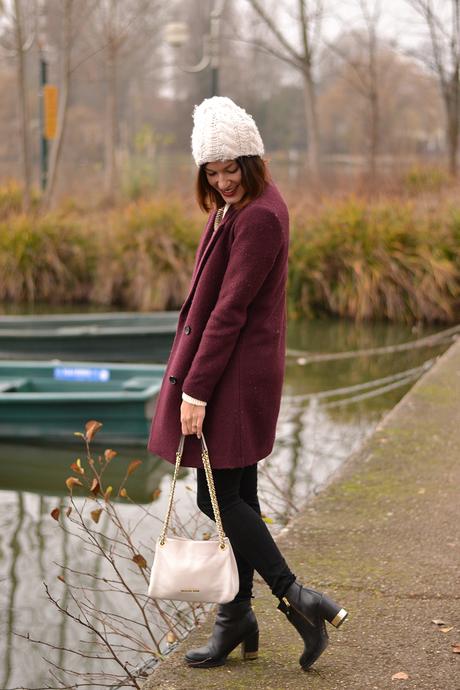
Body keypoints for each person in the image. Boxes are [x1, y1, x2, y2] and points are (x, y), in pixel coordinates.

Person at [148, 96, 347, 671]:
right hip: (236, 373)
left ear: (251, 159)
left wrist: (195, 391)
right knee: (241, 499)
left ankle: (295, 597)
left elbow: (229, 311)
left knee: (217, 498)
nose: (222, 181)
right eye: (211, 172)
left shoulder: (259, 215)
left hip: (230, 379)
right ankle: (239, 619)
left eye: (230, 168)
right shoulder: (237, 209)